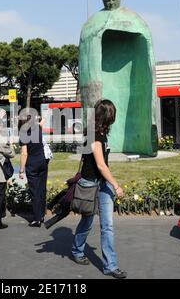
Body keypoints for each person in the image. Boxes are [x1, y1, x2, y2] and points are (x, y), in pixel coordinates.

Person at [70, 99, 127, 279]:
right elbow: (101, 165)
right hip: (90, 184)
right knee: (87, 222)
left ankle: (110, 266)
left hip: (102, 184)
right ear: (107, 116)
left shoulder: (100, 133)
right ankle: (77, 250)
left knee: (107, 225)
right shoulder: (94, 135)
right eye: (112, 115)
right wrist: (116, 185)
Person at [19, 112, 49, 227]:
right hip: (42, 162)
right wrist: (44, 117)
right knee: (42, 189)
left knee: (34, 191)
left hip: (32, 165)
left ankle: (36, 219)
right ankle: (41, 215)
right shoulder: (38, 129)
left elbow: (24, 154)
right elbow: (41, 124)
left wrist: (21, 170)